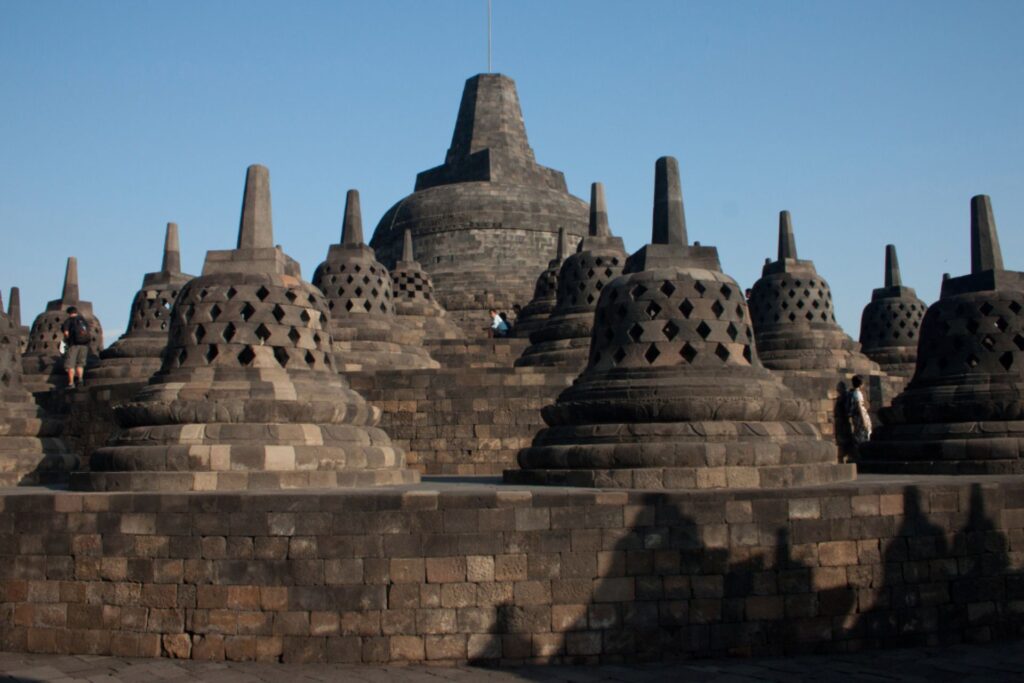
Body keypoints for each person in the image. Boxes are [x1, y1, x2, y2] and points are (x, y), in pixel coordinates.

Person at [60, 306, 91, 388]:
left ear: (69, 313)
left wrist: (66, 341)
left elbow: (66, 333)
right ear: (76, 312)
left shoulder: (68, 321)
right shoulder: (83, 320)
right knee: (80, 364)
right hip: (84, 345)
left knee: (70, 365)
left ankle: (71, 383)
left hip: (73, 345)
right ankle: (80, 380)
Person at [847, 375, 872, 447]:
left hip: (858, 417)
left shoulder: (853, 393)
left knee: (860, 434)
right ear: (861, 384)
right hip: (860, 417)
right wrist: (864, 420)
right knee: (863, 435)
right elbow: (859, 407)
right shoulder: (857, 393)